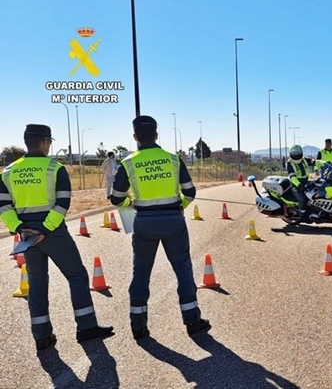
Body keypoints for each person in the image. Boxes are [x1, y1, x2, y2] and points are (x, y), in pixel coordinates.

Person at [0, 124, 114, 351]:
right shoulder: (55, 168)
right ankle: (86, 327)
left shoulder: (8, 172)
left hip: (26, 237)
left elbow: (3, 205)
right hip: (53, 233)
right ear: (43, 142)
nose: (49, 145)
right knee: (77, 276)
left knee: (37, 283)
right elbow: (63, 203)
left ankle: (42, 336)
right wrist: (45, 229)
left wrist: (20, 228)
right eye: (50, 141)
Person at [110, 115, 209, 339]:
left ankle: (138, 324)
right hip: (174, 220)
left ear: (135, 137)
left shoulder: (128, 163)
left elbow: (116, 198)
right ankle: (192, 320)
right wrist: (178, 207)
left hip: (144, 222)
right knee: (183, 269)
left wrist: (130, 204)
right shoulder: (173, 159)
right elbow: (190, 193)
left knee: (141, 273)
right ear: (156, 135)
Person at [285, 145, 318, 221]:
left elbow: (315, 162)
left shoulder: (305, 160)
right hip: (295, 185)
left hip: (307, 182)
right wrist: (299, 185)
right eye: (295, 155)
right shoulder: (289, 163)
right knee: (303, 199)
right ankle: (302, 216)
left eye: (298, 154)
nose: (296, 156)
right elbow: (292, 177)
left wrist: (324, 163)